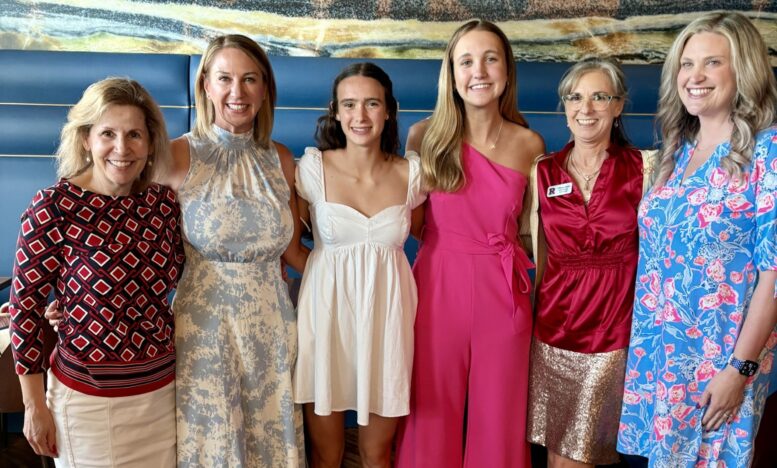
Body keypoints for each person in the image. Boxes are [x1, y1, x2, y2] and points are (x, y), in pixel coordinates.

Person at [617, 11, 777, 467]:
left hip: (721, 362)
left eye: (712, 63)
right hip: (661, 360)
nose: (695, 76)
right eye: (686, 64)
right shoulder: (676, 151)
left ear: (742, 70)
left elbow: (774, 274)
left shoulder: (768, 152)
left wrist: (739, 369)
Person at [9, 77, 184, 467]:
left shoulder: (162, 204)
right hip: (87, 403)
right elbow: (24, 310)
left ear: (151, 142)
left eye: (135, 134)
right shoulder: (53, 207)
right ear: (86, 138)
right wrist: (33, 406)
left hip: (162, 398)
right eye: (108, 133)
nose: (122, 149)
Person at [395, 19, 545, 468]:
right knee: (430, 412)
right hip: (438, 285)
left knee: (500, 416)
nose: (478, 71)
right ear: (452, 73)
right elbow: (414, 222)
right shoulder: (424, 136)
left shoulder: (529, 143)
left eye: (490, 58)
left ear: (506, 70)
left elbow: (528, 229)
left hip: (505, 291)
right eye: (466, 60)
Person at [163, 34, 309, 466]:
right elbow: (133, 243)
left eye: (249, 79)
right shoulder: (175, 156)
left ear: (265, 89)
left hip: (273, 323)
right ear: (205, 84)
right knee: (214, 443)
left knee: (271, 439)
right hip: (203, 325)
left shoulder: (281, 159)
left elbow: (296, 253)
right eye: (225, 78)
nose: (237, 92)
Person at [292, 62, 425, 468]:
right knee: (326, 455)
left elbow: (436, 240)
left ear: (389, 110)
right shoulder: (312, 169)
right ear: (335, 111)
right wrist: (321, 272)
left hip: (387, 323)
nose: (360, 116)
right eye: (349, 104)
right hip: (326, 321)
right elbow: (287, 243)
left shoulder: (413, 174)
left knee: (376, 454)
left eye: (371, 103)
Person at [525, 57, 652, 468]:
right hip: (553, 331)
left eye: (600, 97)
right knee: (560, 452)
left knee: (580, 454)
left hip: (615, 331)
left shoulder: (645, 168)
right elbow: (530, 245)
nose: (587, 108)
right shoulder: (541, 172)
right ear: (564, 108)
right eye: (576, 98)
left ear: (618, 106)